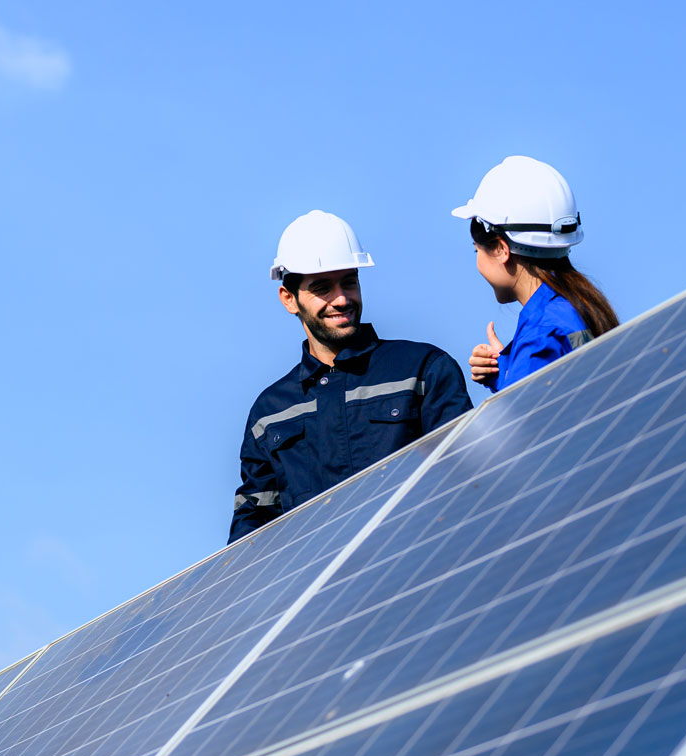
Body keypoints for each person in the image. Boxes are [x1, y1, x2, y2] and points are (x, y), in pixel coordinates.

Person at [230, 210, 473, 543]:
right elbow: (251, 534)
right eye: (322, 288)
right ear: (289, 298)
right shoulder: (269, 412)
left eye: (349, 281)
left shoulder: (422, 369)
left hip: (416, 575)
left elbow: (466, 481)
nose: (342, 299)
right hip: (318, 591)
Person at [455, 156, 619, 392]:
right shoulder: (580, 306)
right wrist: (506, 371)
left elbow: (526, 424)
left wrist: (519, 368)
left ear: (501, 249)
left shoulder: (541, 335)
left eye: (476, 249)